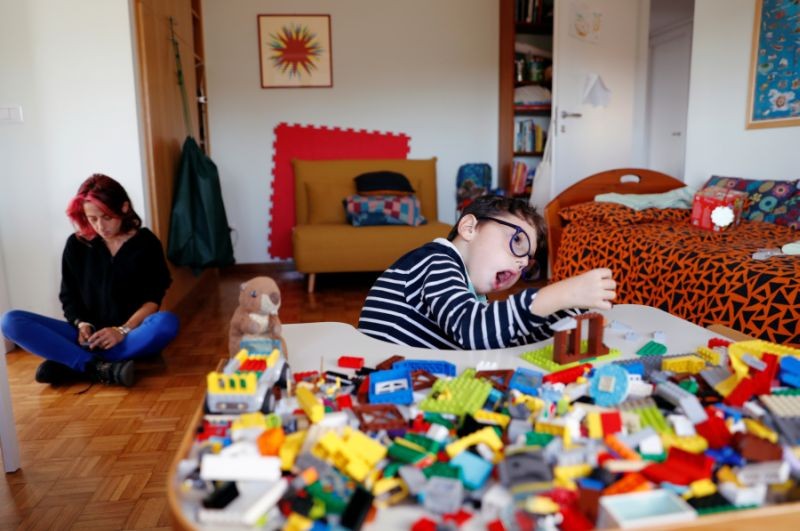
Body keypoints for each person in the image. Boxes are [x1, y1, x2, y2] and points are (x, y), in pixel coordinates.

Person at [358, 194, 616, 349]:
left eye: (527, 261)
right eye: (517, 242)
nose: (521, 264)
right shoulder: (436, 261)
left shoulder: (473, 298)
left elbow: (505, 336)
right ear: (469, 228)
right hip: (381, 378)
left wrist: (563, 312)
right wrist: (558, 294)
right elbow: (474, 330)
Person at [0, 174, 179, 386]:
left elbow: (153, 299)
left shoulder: (146, 243)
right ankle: (97, 368)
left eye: (106, 217)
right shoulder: (76, 245)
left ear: (124, 208)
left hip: (130, 334)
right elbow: (69, 296)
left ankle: (75, 363)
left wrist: (121, 330)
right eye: (92, 219)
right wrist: (81, 324)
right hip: (88, 338)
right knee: (10, 321)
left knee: (167, 323)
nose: (100, 227)